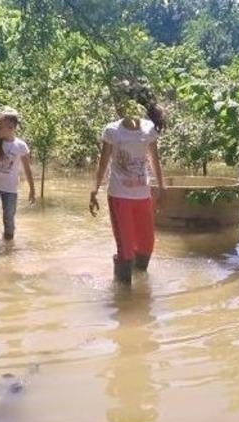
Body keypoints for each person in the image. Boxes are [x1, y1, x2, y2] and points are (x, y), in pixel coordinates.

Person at [89, 82, 166, 285]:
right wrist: (94, 189)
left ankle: (141, 286)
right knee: (126, 251)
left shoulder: (149, 129)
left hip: (143, 196)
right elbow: (103, 162)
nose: (120, 106)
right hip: (119, 196)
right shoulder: (113, 131)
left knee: (146, 247)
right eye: (118, 102)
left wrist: (161, 187)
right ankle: (123, 295)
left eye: (124, 101)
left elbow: (154, 160)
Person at [0, 108, 36, 243]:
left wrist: (32, 190)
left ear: (12, 127)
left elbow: (27, 169)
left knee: (9, 218)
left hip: (10, 189)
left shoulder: (20, 146)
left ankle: (8, 250)